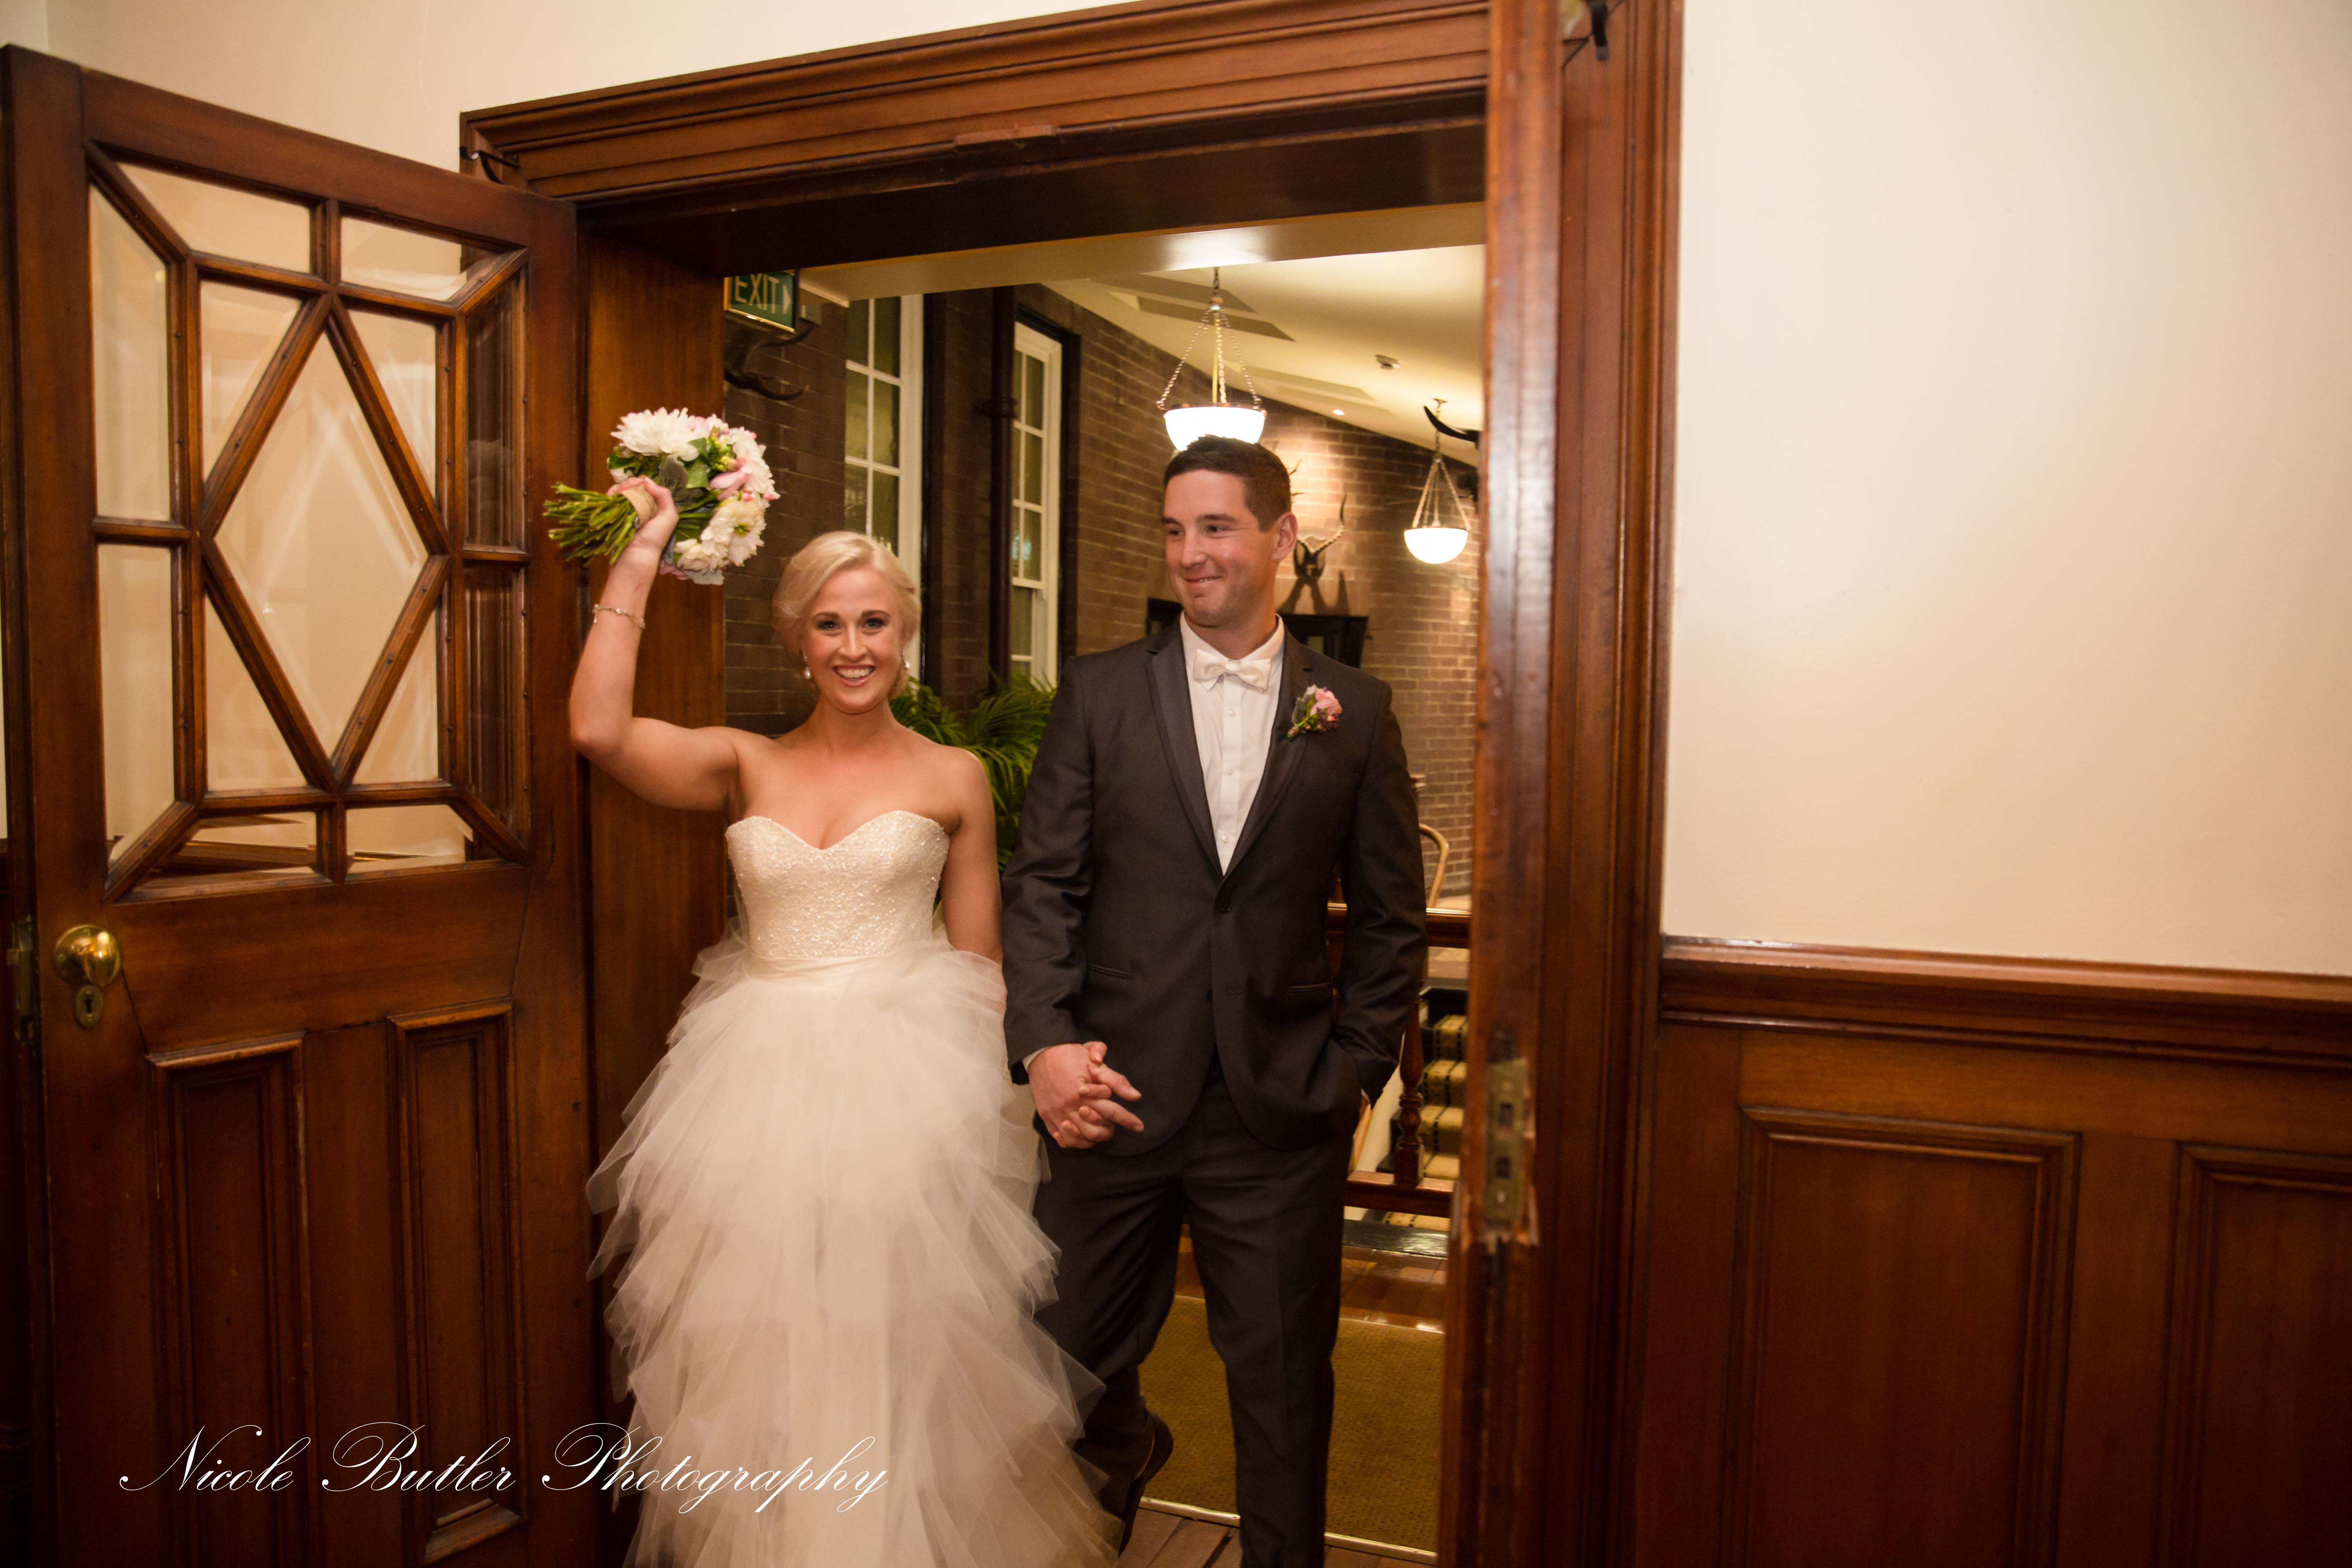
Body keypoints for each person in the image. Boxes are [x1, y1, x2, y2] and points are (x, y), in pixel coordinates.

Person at [569, 479, 1120, 1567]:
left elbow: (981, 967)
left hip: (903, 1089)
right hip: (752, 1090)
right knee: (770, 1343)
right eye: (830, 624)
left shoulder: (955, 775)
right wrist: (640, 555)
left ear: (904, 635)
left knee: (891, 1340)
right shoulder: (747, 763)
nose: (854, 646)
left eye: (874, 622)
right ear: (797, 640)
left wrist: (1013, 1099)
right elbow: (597, 728)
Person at [1001, 436, 1429, 1566]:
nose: (1190, 553)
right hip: (1110, 1095)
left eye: (1217, 528)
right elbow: (1043, 885)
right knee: (1055, 1366)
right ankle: (1112, 1474)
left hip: (1277, 1111)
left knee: (1283, 1390)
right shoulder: (1100, 692)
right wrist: (1045, 1047)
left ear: (1280, 538)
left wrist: (1353, 1074)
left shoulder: (1354, 709)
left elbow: (1391, 920)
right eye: (1175, 530)